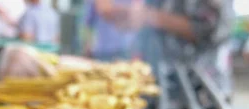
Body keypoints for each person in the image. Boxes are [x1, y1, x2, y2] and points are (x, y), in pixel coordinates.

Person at [96, 0, 235, 98]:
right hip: (161, 86)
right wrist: (128, 18)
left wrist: (149, 16)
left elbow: (213, 29)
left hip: (202, 90)